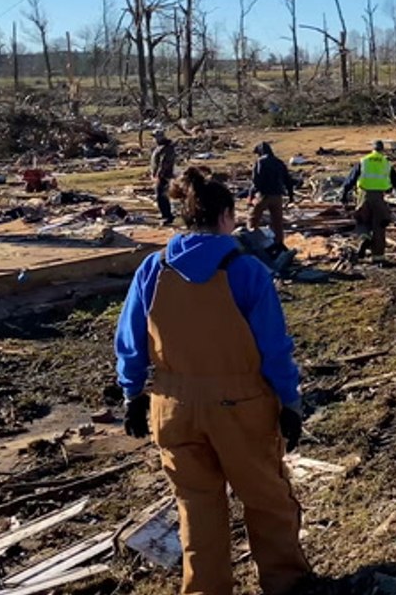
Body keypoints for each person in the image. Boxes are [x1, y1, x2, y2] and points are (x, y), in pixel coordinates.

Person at [114, 167, 310, 594]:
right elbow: (274, 347)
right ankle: (286, 583)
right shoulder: (247, 271)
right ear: (225, 215)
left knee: (196, 507)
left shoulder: (153, 268)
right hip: (241, 406)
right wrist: (289, 401)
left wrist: (132, 394)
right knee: (266, 499)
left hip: (173, 408)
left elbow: (129, 338)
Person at [340, 140, 396, 261]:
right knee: (379, 225)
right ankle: (378, 257)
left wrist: (344, 194)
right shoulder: (386, 163)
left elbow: (351, 179)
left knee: (361, 220)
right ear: (382, 150)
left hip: (364, 195)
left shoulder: (364, 161)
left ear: (372, 149)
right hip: (379, 197)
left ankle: (364, 238)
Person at [248, 143, 296, 251]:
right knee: (277, 223)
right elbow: (288, 181)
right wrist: (291, 196)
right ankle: (279, 245)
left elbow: (256, 181)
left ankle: (251, 244)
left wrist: (251, 196)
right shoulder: (279, 162)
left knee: (253, 220)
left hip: (264, 195)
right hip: (277, 196)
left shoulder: (260, 162)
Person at [151, 129, 178, 226]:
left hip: (164, 176)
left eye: (156, 137)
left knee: (161, 196)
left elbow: (164, 163)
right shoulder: (160, 147)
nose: (154, 139)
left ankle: (167, 216)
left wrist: (159, 175)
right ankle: (164, 214)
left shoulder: (167, 148)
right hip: (160, 175)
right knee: (160, 196)